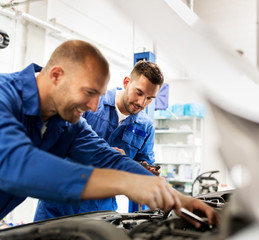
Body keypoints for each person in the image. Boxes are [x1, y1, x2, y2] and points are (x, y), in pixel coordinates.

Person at [0, 40, 218, 228]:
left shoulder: (66, 123)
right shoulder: (4, 96)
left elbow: (109, 157)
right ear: (57, 75)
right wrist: (124, 183)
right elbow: (16, 164)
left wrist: (175, 197)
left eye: (99, 96)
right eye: (88, 93)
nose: (94, 107)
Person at [35, 61, 163, 218]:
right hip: (60, 201)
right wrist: (110, 158)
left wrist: (143, 170)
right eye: (139, 93)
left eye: (150, 98)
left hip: (101, 209)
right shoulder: (92, 101)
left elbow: (143, 170)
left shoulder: (146, 126)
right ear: (126, 82)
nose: (142, 103)